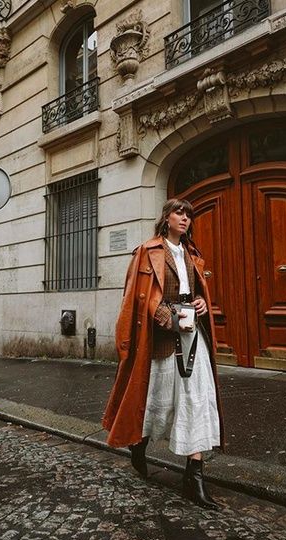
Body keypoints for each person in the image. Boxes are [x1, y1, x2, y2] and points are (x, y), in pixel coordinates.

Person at [102, 198, 224, 509]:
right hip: (160, 340)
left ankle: (193, 477)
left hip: (192, 335)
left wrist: (200, 302)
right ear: (166, 217)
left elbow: (196, 290)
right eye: (179, 213)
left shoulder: (193, 254)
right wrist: (165, 317)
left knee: (196, 398)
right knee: (154, 401)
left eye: (189, 215)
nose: (185, 219)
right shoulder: (148, 251)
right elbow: (137, 296)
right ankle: (138, 445)